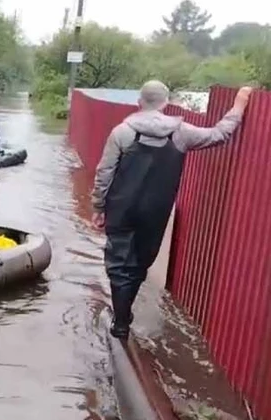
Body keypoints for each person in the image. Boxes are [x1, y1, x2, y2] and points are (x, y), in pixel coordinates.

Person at [91, 81, 253, 340]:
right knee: (140, 263)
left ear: (139, 102)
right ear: (166, 103)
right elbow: (220, 134)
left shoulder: (122, 132)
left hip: (121, 209)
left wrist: (98, 206)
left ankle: (121, 320)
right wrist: (239, 105)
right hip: (155, 213)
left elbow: (104, 173)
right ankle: (124, 315)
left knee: (118, 263)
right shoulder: (182, 133)